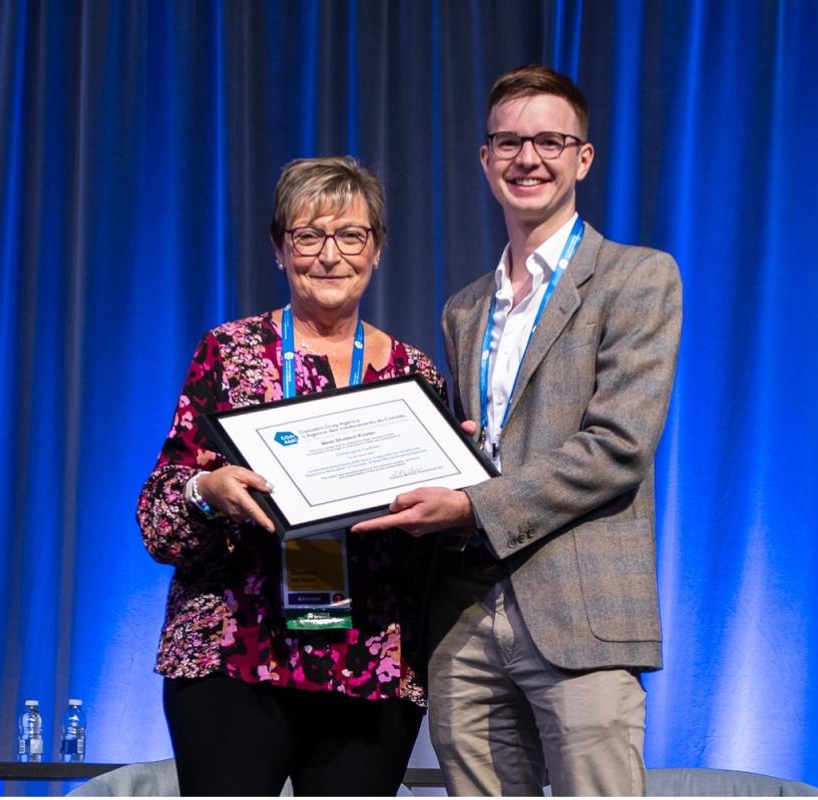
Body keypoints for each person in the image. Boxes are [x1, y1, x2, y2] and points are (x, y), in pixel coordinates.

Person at [353, 65, 682, 795]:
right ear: (484, 157)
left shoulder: (638, 278)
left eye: (549, 141)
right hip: (465, 617)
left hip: (580, 613)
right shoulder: (465, 309)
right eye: (508, 142)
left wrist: (474, 504)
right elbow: (481, 448)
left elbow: (617, 448)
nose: (527, 159)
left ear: (583, 158)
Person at [137, 156, 444, 796]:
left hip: (371, 664)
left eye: (351, 236)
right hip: (232, 653)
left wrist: (459, 486)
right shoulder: (228, 352)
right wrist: (206, 494)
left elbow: (437, 540)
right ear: (280, 249)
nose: (330, 255)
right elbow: (159, 516)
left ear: (377, 249)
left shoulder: (416, 379)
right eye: (308, 236)